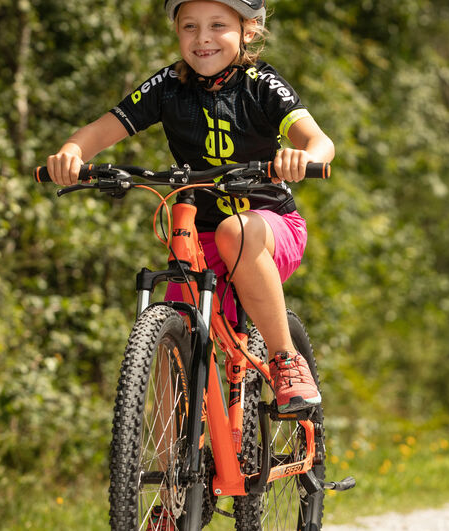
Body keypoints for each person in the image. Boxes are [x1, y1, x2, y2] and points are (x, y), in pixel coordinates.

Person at [45, 0, 334, 418]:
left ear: (248, 30)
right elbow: (100, 130)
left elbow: (320, 141)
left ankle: (286, 360)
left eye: (218, 25)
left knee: (234, 230)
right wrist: (71, 152)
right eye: (189, 26)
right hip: (199, 243)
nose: (202, 38)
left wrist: (302, 156)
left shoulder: (260, 84)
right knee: (169, 351)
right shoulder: (168, 85)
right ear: (177, 32)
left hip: (267, 232)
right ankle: (172, 475)